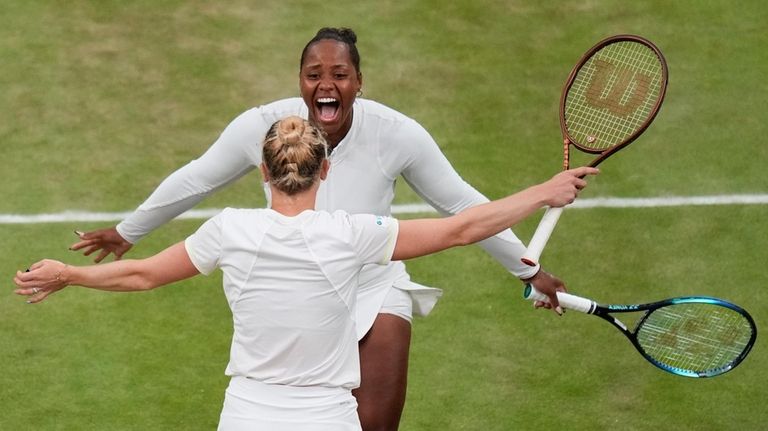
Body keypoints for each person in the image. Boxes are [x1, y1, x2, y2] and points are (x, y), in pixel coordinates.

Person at [69, 27, 576, 430]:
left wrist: (527, 268)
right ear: (300, 81)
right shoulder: (264, 127)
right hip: (304, 283)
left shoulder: (398, 134)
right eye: (314, 74)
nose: (326, 84)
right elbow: (199, 177)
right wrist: (128, 230)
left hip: (374, 286)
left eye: (340, 74)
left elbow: (461, 206)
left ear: (359, 81)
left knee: (374, 424)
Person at [16, 117, 596, 430]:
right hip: (328, 418)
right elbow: (463, 227)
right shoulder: (353, 235)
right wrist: (545, 192)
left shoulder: (229, 231)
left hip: (245, 414)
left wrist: (68, 273)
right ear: (324, 172)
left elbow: (139, 275)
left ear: (265, 175)